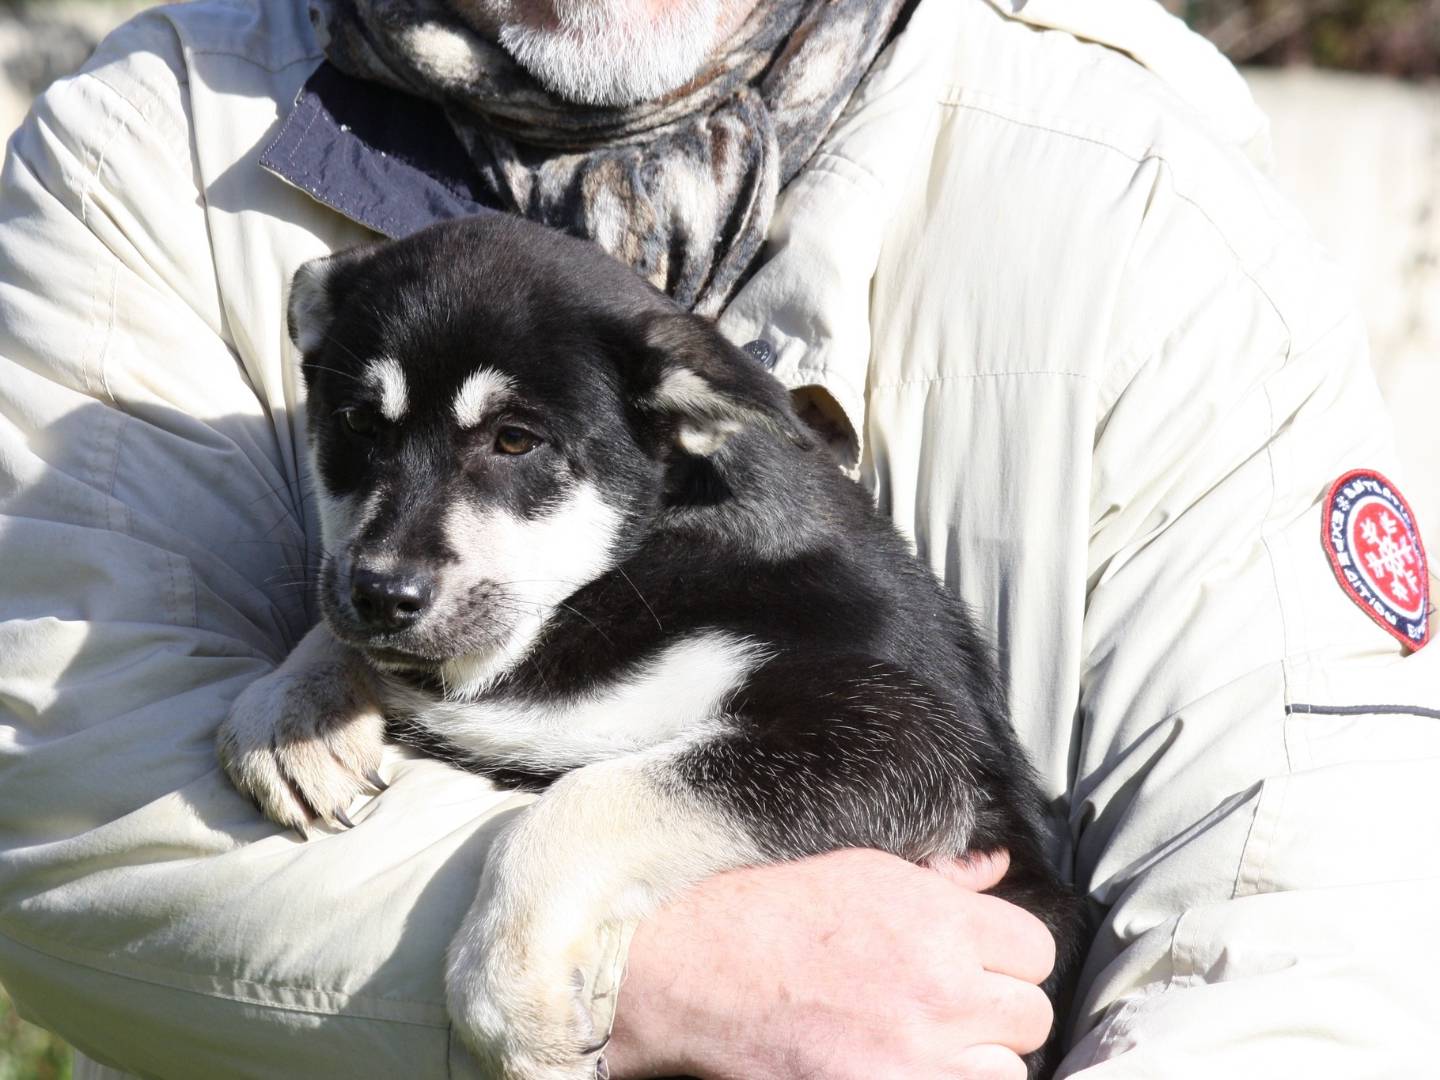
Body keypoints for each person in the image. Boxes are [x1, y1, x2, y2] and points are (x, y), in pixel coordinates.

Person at [0, 0, 1436, 1077]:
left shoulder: (1137, 206)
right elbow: (58, 783)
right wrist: (636, 965)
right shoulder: (159, 143)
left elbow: (1312, 926)